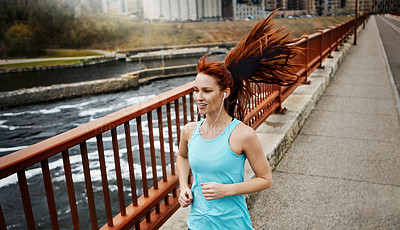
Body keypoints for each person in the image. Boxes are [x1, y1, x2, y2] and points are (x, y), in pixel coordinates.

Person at [176, 10, 302, 229]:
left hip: (232, 224)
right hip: (196, 224)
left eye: (206, 90)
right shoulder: (189, 130)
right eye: (196, 90)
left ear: (224, 93)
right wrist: (183, 187)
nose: (198, 97)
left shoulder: (242, 134)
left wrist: (227, 190)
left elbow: (265, 178)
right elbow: (182, 156)